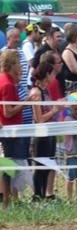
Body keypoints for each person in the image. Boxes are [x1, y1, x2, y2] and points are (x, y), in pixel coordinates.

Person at [1, 50, 38, 208]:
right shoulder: (8, 85)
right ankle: (9, 202)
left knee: (8, 166)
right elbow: (7, 112)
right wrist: (26, 102)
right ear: (11, 64)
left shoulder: (5, 80)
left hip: (10, 129)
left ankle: (9, 201)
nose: (20, 66)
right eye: (17, 62)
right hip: (11, 131)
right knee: (10, 167)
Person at [30, 59, 63, 200]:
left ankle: (42, 196)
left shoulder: (45, 90)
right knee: (40, 167)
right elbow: (39, 118)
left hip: (49, 132)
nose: (53, 77)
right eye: (52, 74)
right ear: (46, 74)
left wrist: (56, 106)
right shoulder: (36, 92)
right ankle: (37, 196)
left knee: (48, 165)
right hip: (41, 134)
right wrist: (55, 110)